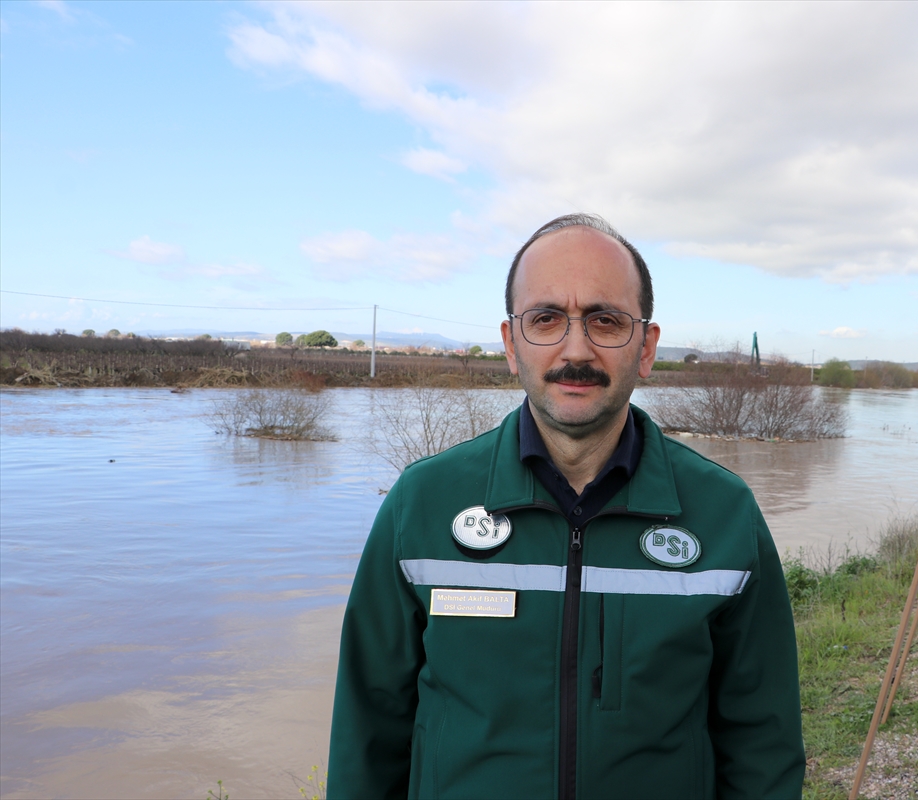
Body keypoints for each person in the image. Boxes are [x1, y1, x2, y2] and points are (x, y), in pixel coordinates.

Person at [328, 213, 805, 799]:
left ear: (647, 348)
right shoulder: (422, 504)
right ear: (510, 344)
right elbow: (367, 733)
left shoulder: (724, 515)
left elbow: (763, 745)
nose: (575, 349)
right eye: (546, 319)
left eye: (606, 321)